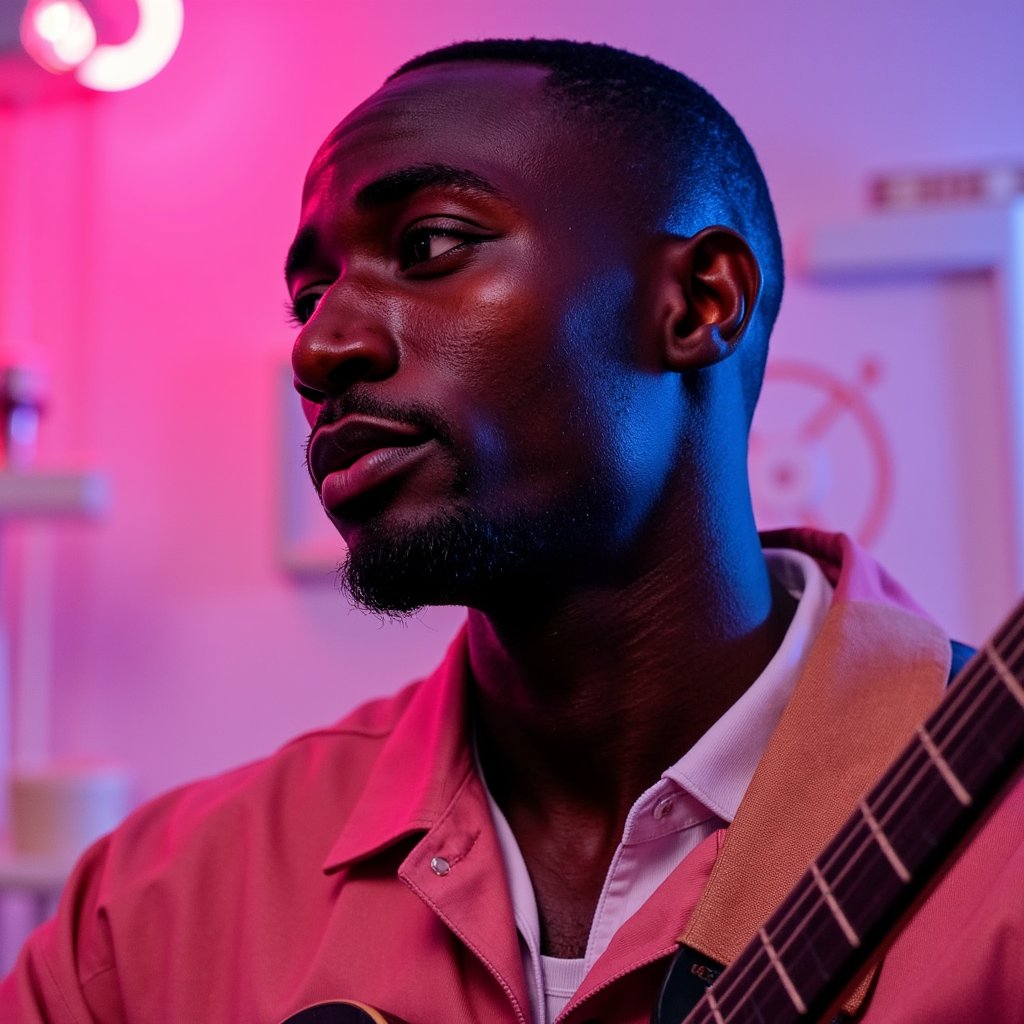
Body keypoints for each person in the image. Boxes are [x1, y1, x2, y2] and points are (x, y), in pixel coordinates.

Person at [2, 37, 1022, 1024]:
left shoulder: (999, 842)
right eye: (310, 296)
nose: (321, 346)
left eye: (429, 246)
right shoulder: (146, 915)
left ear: (698, 302)